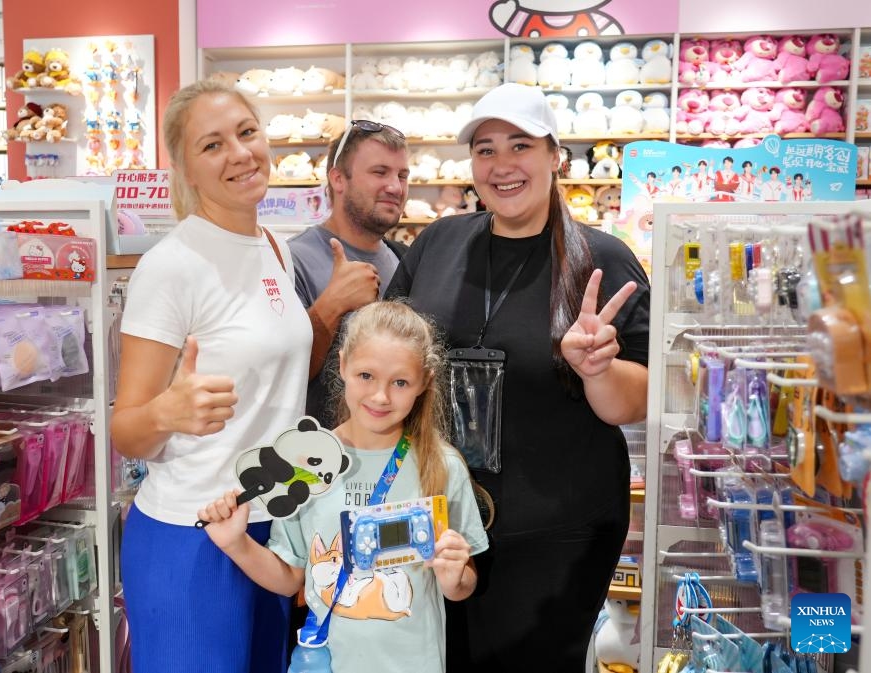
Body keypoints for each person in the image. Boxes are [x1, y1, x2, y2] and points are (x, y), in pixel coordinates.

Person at [384, 82, 650, 670]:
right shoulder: (438, 243)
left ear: (555, 155)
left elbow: (638, 401)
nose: (502, 166)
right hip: (439, 519)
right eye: (484, 149)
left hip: (559, 528)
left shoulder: (602, 260)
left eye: (520, 145)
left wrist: (597, 369)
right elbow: (389, 354)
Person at [111, 80, 311, 673]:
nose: (240, 154)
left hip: (271, 528)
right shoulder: (169, 267)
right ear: (186, 170)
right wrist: (166, 413)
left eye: (247, 133)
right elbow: (127, 430)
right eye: (213, 145)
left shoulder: (276, 245)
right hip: (190, 535)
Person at [197, 300, 490, 673]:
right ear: (343, 366)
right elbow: (289, 579)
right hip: (325, 663)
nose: (381, 396)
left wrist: (455, 577)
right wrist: (234, 543)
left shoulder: (442, 466)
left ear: (424, 383)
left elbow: (463, 586)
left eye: (400, 382)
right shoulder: (302, 465)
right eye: (366, 376)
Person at [288, 120, 410, 429]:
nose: (395, 187)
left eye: (402, 175)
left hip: (392, 461)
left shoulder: (404, 258)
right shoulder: (292, 259)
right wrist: (332, 305)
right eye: (379, 172)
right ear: (339, 179)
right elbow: (282, 377)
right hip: (318, 463)